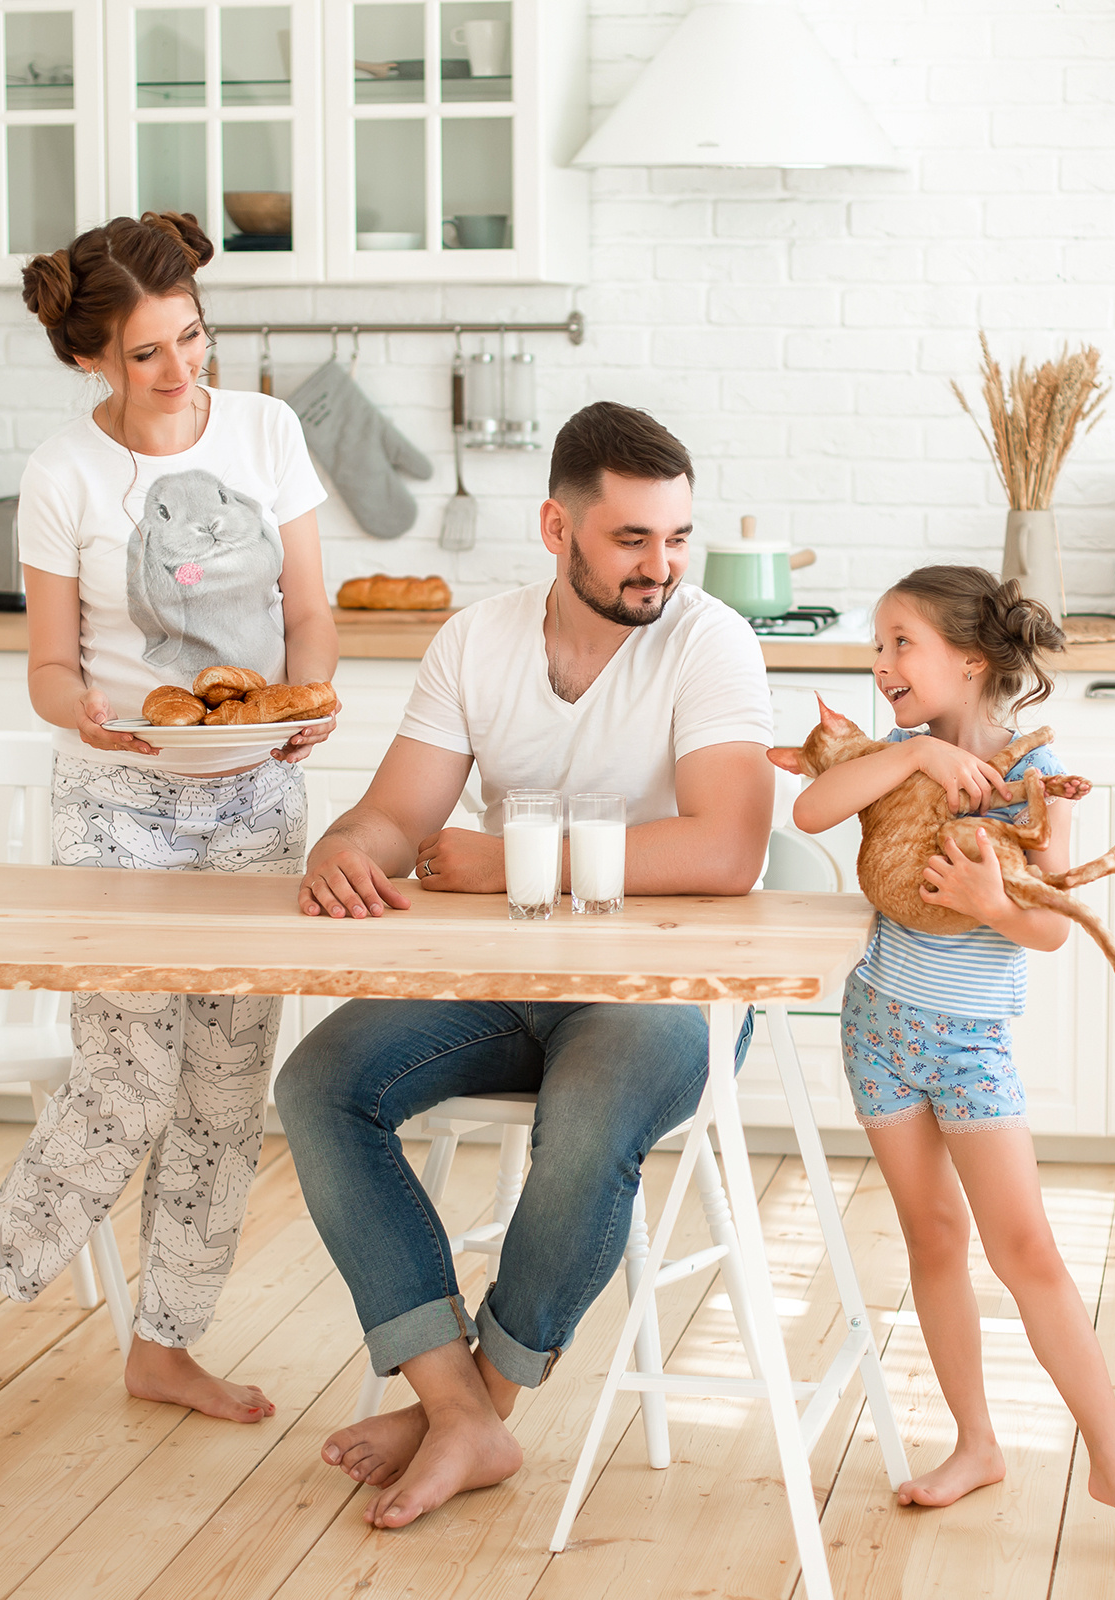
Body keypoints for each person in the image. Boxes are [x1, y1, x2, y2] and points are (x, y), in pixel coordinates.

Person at [276, 401, 774, 1530]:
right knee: (319, 1083)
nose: (663, 565)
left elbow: (728, 849)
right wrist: (347, 846)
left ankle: (478, 1404)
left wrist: (504, 858)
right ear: (558, 526)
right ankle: (458, 1408)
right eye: (632, 539)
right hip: (509, 979)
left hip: (667, 992)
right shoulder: (479, 639)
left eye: (677, 537)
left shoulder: (709, 641)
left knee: (592, 1104)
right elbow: (399, 812)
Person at [0, 212, 338, 1423]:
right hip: (119, 802)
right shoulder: (64, 473)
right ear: (94, 357)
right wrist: (90, 713)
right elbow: (48, 669)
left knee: (226, 1092)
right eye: (149, 353)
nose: (182, 370)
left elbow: (309, 614)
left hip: (257, 792)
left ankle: (166, 1342)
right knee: (129, 1079)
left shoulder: (268, 429)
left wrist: (311, 705)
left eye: (193, 336)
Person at [772, 565, 1115, 1568]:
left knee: (1028, 1252)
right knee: (930, 1237)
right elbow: (811, 812)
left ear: (968, 659)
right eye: (876, 646)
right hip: (877, 1030)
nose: (879, 664)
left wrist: (993, 902)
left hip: (968, 1050)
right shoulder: (894, 756)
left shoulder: (1034, 778)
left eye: (899, 644)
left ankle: (1114, 1460)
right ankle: (977, 1442)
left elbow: (1049, 932)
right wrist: (912, 748)